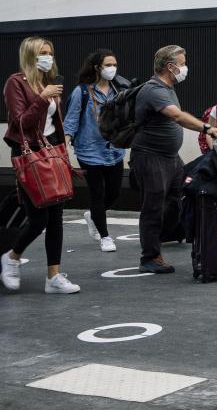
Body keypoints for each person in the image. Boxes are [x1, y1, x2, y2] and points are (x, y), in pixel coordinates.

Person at [130, 45, 217, 274]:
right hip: (151, 158)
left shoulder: (168, 87)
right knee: (152, 207)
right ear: (170, 66)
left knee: (181, 196)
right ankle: (149, 257)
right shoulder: (154, 90)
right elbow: (176, 116)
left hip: (170, 158)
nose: (185, 67)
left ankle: (165, 235)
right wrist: (206, 128)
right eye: (182, 63)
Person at [1, 36, 80, 294]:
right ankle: (12, 256)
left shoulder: (49, 82)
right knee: (38, 218)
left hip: (51, 152)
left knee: (56, 216)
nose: (48, 57)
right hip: (29, 155)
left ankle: (53, 276)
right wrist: (44, 98)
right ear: (30, 57)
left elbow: (53, 125)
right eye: (42, 53)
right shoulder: (16, 83)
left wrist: (63, 149)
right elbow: (20, 122)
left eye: (50, 53)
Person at [64, 49, 126, 252]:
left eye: (114, 64)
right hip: (89, 151)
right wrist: (65, 145)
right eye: (108, 65)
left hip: (113, 150)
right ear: (97, 67)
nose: (113, 69)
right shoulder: (81, 92)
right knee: (97, 193)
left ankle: (93, 215)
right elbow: (71, 121)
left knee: (115, 191)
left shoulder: (119, 90)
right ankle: (105, 236)